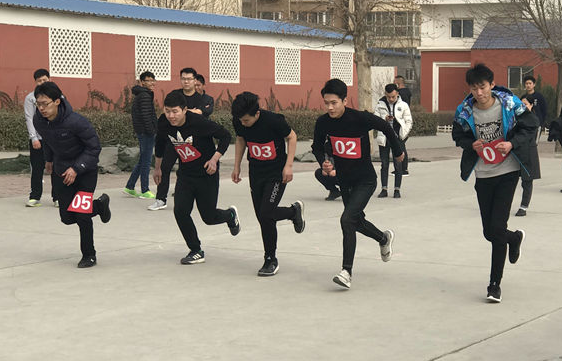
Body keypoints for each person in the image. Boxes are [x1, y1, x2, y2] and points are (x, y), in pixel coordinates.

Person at [452, 63, 538, 304]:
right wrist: (470, 144)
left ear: (491, 84)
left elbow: (531, 125)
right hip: (483, 174)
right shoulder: (464, 111)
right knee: (489, 232)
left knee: (497, 228)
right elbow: (458, 135)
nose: (479, 93)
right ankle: (514, 238)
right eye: (474, 88)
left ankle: (494, 285)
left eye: (483, 87)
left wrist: (511, 144)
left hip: (507, 171)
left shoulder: (509, 103)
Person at [311, 78, 404, 289]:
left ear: (344, 101)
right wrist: (324, 161)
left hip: (365, 180)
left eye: (334, 103)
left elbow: (385, 127)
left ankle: (346, 271)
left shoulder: (360, 118)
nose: (330, 107)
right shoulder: (323, 122)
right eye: (326, 103)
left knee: (346, 219)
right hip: (344, 180)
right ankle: (383, 238)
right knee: (355, 221)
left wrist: (398, 151)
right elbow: (317, 146)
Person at [153, 90, 240, 265]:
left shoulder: (199, 123)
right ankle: (195, 250)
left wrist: (214, 159)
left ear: (185, 110)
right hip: (185, 174)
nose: (171, 116)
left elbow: (225, 136)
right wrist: (158, 168)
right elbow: (160, 144)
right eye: (168, 111)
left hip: (206, 174)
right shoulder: (163, 122)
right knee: (180, 211)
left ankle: (230, 215)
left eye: (175, 111)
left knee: (209, 217)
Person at [33, 82, 111, 268]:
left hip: (85, 171)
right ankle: (99, 206)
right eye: (38, 104)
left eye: (45, 103)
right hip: (62, 170)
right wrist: (49, 159)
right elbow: (48, 141)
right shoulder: (39, 120)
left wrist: (77, 168)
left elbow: (94, 147)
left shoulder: (76, 122)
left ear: (57, 101)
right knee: (67, 217)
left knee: (82, 215)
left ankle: (89, 255)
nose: (41, 108)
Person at [231, 92, 305, 277]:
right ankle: (293, 212)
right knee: (262, 216)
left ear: (257, 114)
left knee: (266, 214)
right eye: (240, 120)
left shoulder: (274, 121)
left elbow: (292, 137)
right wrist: (236, 166)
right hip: (256, 173)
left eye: (246, 120)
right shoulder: (239, 121)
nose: (243, 123)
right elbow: (240, 140)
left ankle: (270, 259)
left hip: (276, 173)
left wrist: (289, 166)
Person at [148, 67, 209, 212]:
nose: (186, 82)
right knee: (165, 167)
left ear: (195, 80)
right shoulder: (175, 95)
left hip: (193, 142)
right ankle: (160, 199)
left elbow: (201, 113)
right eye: (183, 79)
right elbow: (167, 111)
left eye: (189, 79)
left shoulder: (201, 98)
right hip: (174, 139)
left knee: (192, 170)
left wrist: (183, 112)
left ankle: (197, 196)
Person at [24, 68, 58, 207]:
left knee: (56, 168)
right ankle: (35, 197)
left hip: (54, 139)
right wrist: (34, 138)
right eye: (39, 81)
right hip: (38, 139)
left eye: (45, 80)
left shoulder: (58, 96)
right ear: (35, 82)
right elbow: (29, 118)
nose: (42, 83)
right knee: (37, 168)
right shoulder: (30, 98)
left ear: (50, 80)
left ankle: (57, 197)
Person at [374, 83, 413, 199]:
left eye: (393, 97)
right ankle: (384, 189)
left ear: (397, 94)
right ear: (385, 95)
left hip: (397, 138)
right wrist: (384, 118)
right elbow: (374, 119)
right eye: (388, 97)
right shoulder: (380, 104)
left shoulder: (403, 105)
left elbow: (409, 121)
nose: (391, 99)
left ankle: (397, 189)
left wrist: (403, 135)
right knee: (384, 164)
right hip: (384, 137)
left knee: (398, 164)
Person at [517, 75, 547, 216]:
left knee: (527, 180)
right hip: (517, 152)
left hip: (528, 152)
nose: (523, 107)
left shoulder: (534, 120)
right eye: (521, 104)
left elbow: (544, 112)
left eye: (526, 104)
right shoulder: (516, 119)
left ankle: (524, 206)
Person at [124, 71, 158, 199]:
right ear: (142, 82)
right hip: (146, 132)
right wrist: (152, 131)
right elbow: (146, 116)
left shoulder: (142, 94)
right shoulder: (144, 95)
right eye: (148, 80)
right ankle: (145, 190)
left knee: (143, 160)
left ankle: (130, 187)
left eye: (153, 80)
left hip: (143, 131)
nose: (152, 83)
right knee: (146, 162)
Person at [394, 75, 412, 175]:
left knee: (400, 146)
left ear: (398, 82)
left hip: (401, 122)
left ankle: (403, 169)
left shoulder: (401, 94)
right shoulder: (407, 92)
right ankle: (400, 168)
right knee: (400, 145)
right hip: (404, 121)